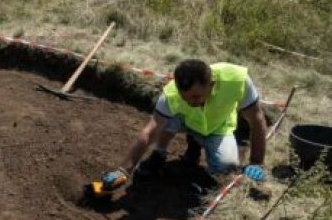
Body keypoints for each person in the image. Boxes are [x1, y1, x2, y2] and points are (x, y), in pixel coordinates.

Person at [99, 59, 267, 193]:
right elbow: (150, 131)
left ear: (212, 84)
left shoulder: (237, 79)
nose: (189, 101)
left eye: (195, 97)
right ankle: (159, 154)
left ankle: (196, 142)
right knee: (167, 118)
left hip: (219, 126)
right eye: (184, 97)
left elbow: (257, 119)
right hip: (186, 120)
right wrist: (124, 170)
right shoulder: (172, 94)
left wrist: (256, 162)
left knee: (226, 167)